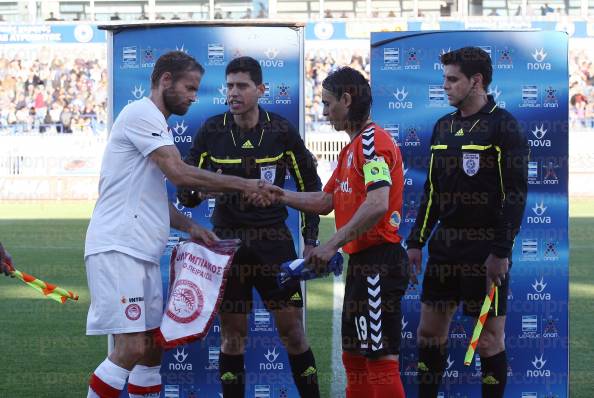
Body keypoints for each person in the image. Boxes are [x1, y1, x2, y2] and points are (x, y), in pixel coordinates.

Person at [84, 51, 280, 398]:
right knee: (130, 348)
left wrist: (190, 226)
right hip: (118, 248)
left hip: (139, 251)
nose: (193, 96)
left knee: (150, 350)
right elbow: (178, 172)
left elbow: (153, 194)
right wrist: (244, 183)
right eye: (190, 88)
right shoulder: (141, 113)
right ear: (165, 81)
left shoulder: (155, 122)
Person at [177, 56, 322, 398]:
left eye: (241, 86)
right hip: (227, 247)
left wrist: (311, 240)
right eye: (229, 86)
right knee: (232, 336)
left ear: (260, 89)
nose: (233, 92)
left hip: (274, 244)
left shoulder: (281, 130)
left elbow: (311, 187)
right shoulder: (212, 130)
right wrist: (208, 188)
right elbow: (186, 192)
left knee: (294, 333)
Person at [276, 66, 408, 398]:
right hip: (362, 265)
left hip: (379, 263)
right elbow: (324, 201)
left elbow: (378, 203)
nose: (323, 112)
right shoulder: (352, 148)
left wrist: (331, 243)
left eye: (327, 103)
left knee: (380, 361)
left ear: (346, 100)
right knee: (353, 357)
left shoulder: (371, 143)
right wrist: (278, 194)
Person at [406, 47, 528, 398]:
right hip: (445, 249)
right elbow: (431, 193)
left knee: (489, 340)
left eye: (452, 78)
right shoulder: (443, 127)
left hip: (485, 249)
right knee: (429, 334)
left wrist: (501, 251)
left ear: (476, 81)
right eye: (444, 77)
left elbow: (515, 196)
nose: (444, 85)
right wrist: (416, 242)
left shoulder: (504, 126)